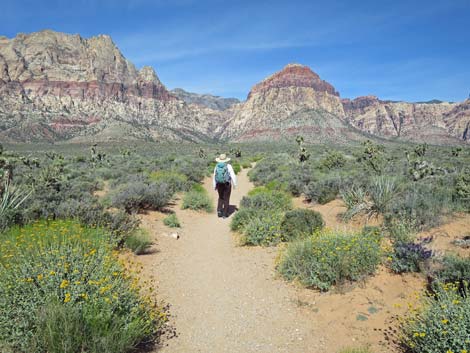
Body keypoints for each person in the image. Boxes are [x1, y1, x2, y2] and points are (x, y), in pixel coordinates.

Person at [213, 153, 237, 218]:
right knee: (226, 198)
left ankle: (219, 211)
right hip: (227, 184)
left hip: (219, 184)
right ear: (226, 160)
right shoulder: (229, 166)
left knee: (220, 197)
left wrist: (214, 185)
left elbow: (214, 176)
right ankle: (224, 214)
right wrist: (234, 184)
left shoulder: (216, 166)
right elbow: (233, 176)